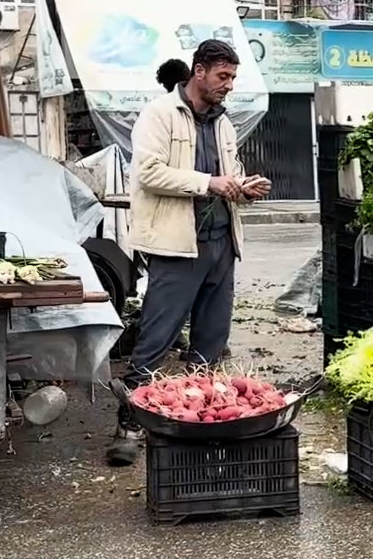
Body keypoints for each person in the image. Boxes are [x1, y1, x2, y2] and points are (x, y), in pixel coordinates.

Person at [107, 41, 270, 466]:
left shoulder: (224, 123)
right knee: (156, 340)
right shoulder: (159, 114)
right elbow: (148, 172)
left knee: (211, 342)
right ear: (199, 72)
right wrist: (209, 183)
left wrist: (240, 186)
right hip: (177, 244)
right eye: (222, 77)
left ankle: (196, 424)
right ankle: (128, 425)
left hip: (220, 242)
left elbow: (225, 177)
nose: (229, 86)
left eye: (233, 78)